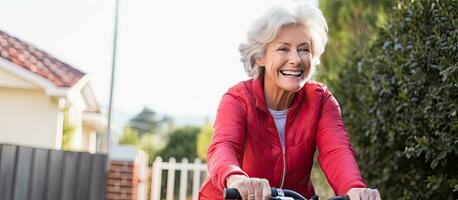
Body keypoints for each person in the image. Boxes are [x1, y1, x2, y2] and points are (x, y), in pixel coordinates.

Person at [199, 1, 381, 200]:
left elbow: (336, 151)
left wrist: (354, 188)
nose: (296, 59)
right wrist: (236, 179)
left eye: (304, 49)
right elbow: (223, 146)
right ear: (261, 57)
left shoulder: (321, 100)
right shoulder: (238, 99)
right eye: (283, 49)